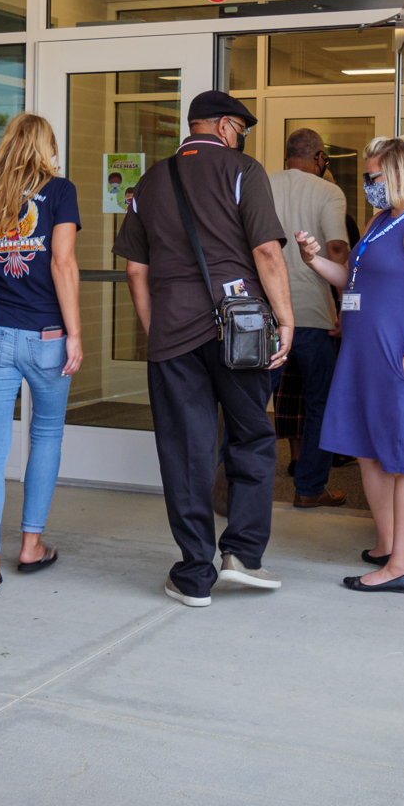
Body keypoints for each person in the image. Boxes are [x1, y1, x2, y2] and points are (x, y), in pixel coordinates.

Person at [115, 90, 293, 608]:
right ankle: (242, 556)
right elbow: (266, 251)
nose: (241, 137)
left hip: (173, 333)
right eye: (240, 127)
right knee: (251, 436)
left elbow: (134, 270)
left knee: (185, 452)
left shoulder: (150, 180)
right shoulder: (243, 170)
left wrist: (157, 330)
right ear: (220, 127)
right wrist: (285, 319)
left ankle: (194, 574)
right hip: (241, 329)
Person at [296, 136, 404, 593]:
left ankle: (401, 567)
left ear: (399, 175)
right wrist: (313, 260)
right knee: (368, 454)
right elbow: (349, 277)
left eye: (374, 177)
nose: (368, 185)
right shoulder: (381, 221)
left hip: (398, 361)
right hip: (362, 359)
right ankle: (388, 544)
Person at [0, 113, 82, 596]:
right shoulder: (59, 191)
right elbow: (63, 261)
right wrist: (74, 333)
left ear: (7, 142)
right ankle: (31, 545)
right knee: (46, 433)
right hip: (47, 334)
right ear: (45, 146)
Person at [268, 127, 349, 508]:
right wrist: (344, 304)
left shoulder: (261, 185)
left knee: (250, 404)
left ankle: (229, 485)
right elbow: (335, 247)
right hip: (315, 317)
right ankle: (309, 488)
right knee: (319, 403)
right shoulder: (328, 191)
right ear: (319, 158)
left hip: (268, 316)